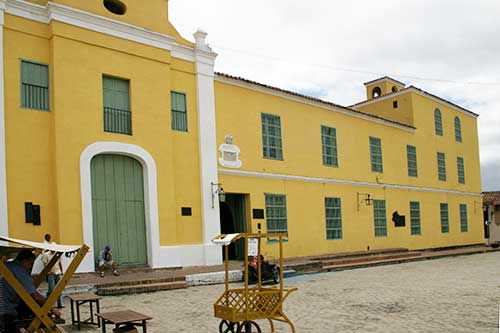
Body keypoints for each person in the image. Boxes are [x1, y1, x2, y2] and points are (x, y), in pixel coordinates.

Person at [0, 249, 62, 332]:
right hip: (5, 312)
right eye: (30, 264)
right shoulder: (20, 271)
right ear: (24, 261)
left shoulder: (7, 265)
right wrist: (52, 309)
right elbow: (35, 296)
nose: (30, 267)